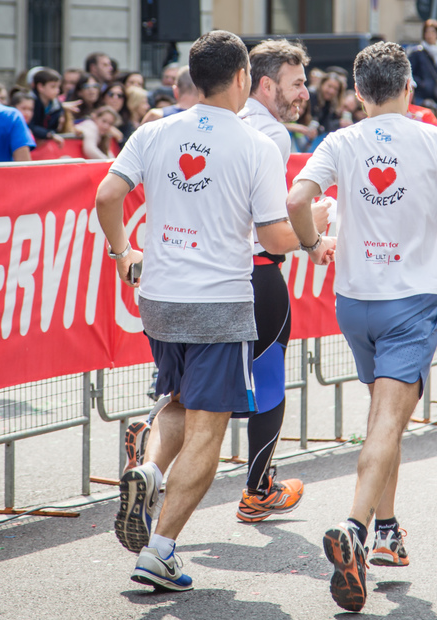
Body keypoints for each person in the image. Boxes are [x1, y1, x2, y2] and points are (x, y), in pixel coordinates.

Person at [98, 30, 301, 592]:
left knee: (178, 400)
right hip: (219, 301)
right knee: (208, 431)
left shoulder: (154, 130)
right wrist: (314, 233)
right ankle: (159, 551)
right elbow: (274, 238)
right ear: (241, 78)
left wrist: (122, 252)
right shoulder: (256, 145)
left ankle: (148, 471)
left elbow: (107, 196)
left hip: (160, 298)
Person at [286, 41, 437, 612]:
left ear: (358, 92)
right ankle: (355, 526)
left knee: (382, 418)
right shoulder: (435, 140)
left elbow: (297, 199)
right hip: (410, 302)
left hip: (355, 302)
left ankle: (389, 531)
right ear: (409, 87)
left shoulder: (341, 140)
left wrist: (312, 245)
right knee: (387, 423)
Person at [234, 39, 322, 522]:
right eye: (297, 83)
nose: (305, 93)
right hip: (257, 272)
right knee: (267, 378)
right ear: (265, 85)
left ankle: (151, 453)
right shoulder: (271, 134)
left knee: (192, 389)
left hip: (203, 276)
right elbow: (272, 230)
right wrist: (314, 231)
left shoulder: (224, 121)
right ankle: (258, 490)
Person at [407, 19, 437, 110]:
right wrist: (423, 84)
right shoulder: (417, 53)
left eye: (433, 32)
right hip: (421, 97)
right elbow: (410, 73)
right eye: (427, 32)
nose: (430, 35)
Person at [30, 68, 77, 143]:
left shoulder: (56, 105)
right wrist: (48, 134)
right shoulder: (30, 103)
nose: (57, 90)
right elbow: (30, 125)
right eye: (53, 87)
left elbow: (54, 127)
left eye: (58, 87)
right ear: (40, 87)